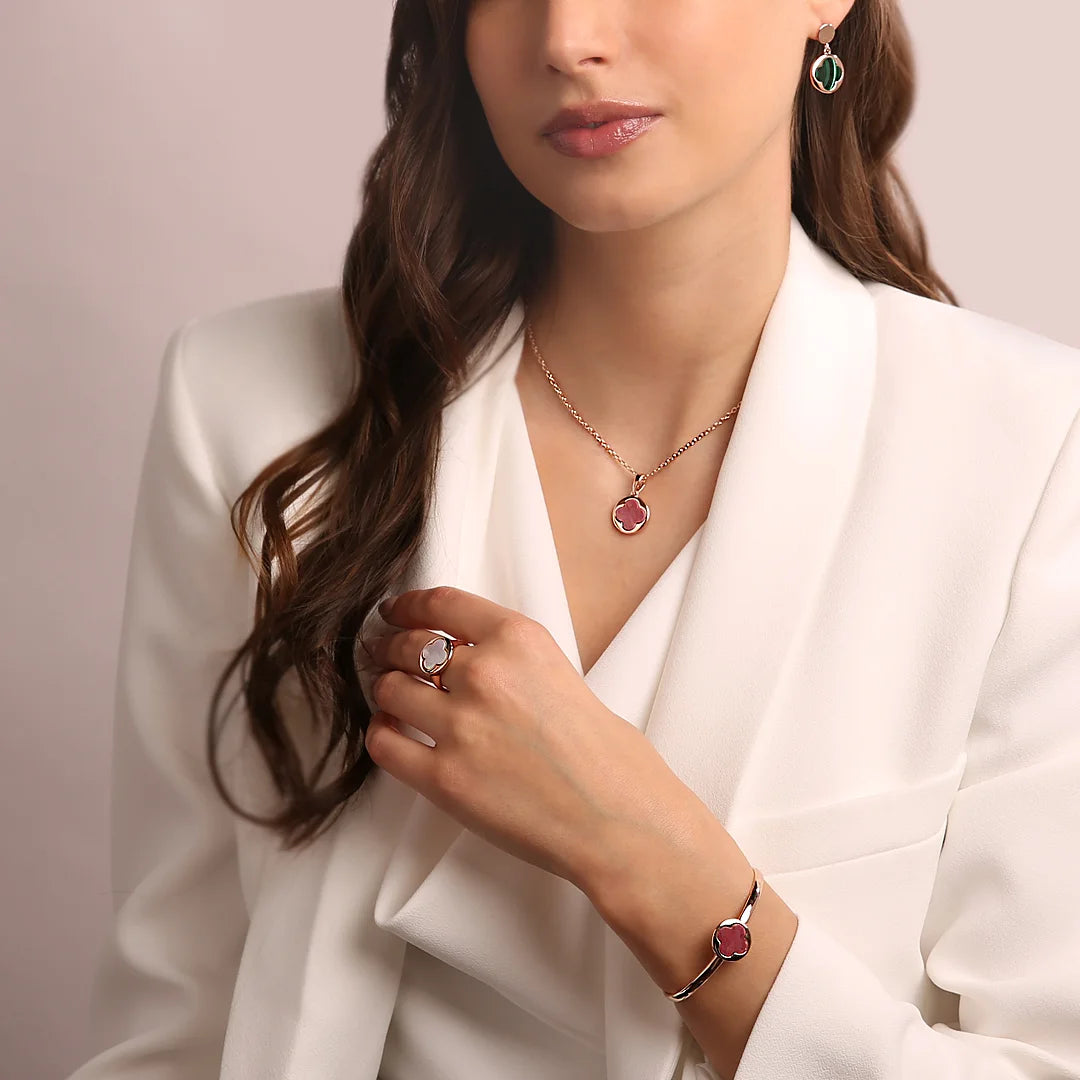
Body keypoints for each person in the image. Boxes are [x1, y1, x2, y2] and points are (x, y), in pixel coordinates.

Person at [67, 1, 1080, 1078]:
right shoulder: (252, 409)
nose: (566, 37)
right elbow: (170, 1034)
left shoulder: (1030, 456)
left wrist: (639, 849)